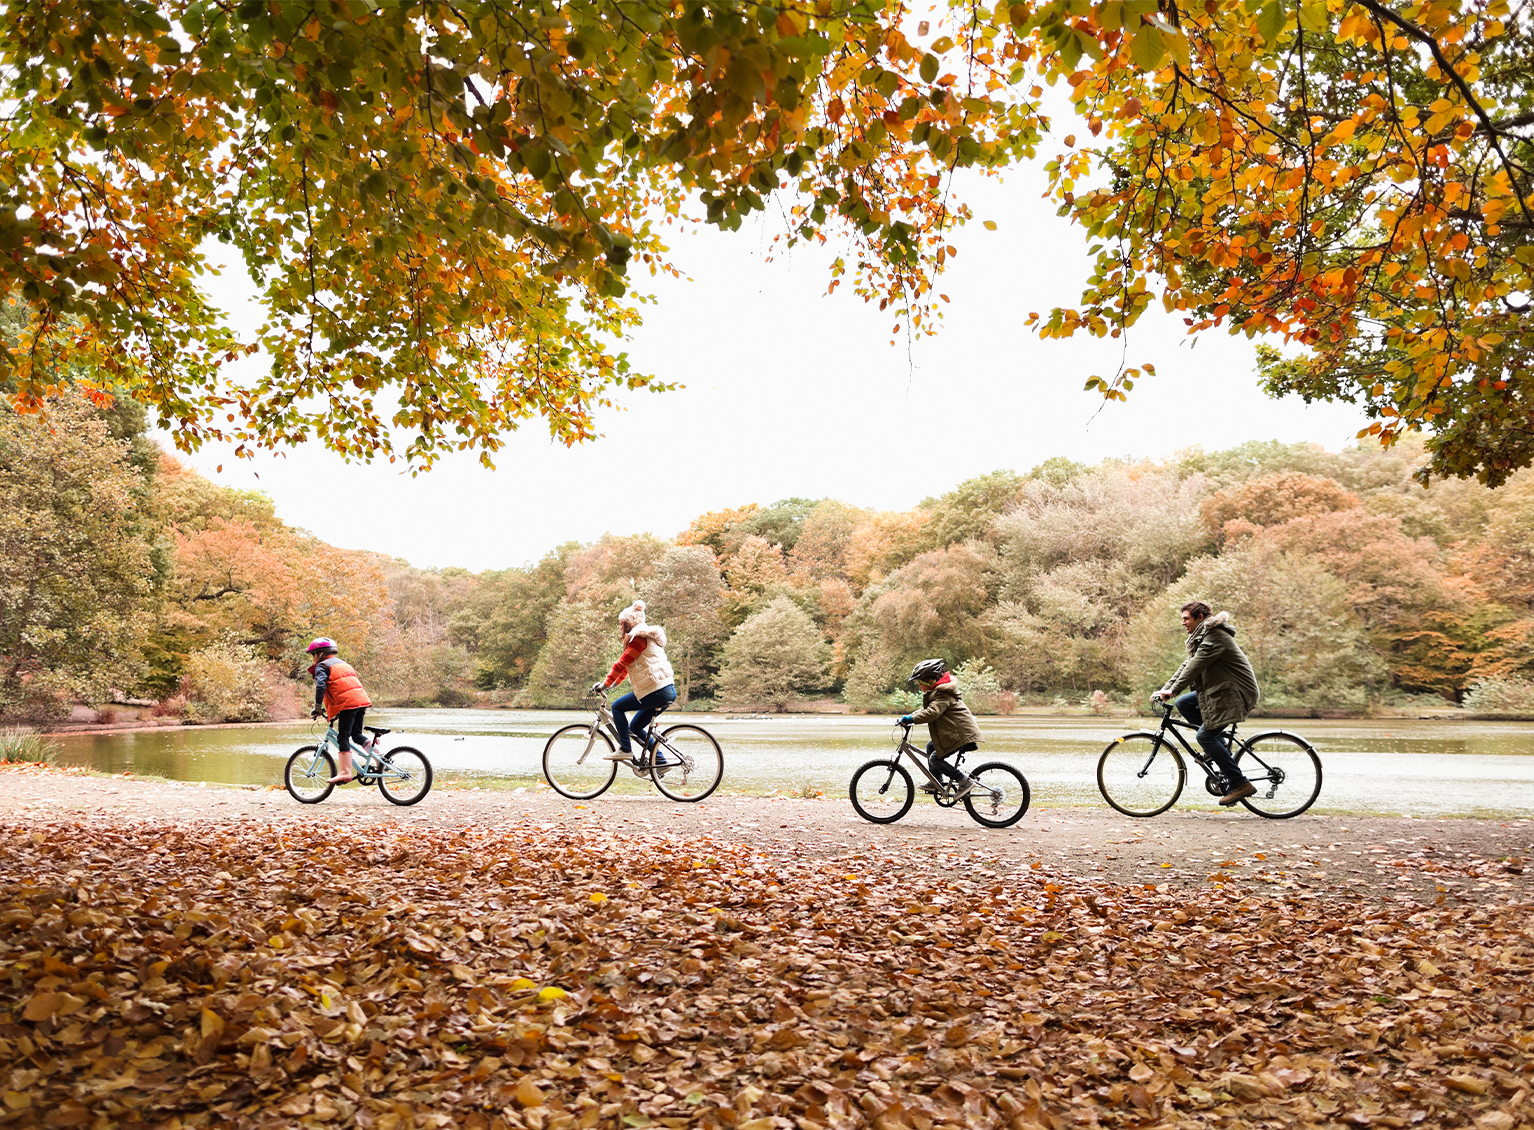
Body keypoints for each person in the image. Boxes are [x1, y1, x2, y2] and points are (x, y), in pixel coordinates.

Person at [1152, 601, 1263, 805]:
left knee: (1204, 736)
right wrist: (1166, 688)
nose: (1183, 622)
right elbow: (1187, 664)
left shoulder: (1215, 636)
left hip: (1235, 693)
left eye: (1186, 618)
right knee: (1184, 703)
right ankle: (1218, 748)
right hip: (1221, 692)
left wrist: (1173, 690)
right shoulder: (1201, 637)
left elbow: (1196, 665)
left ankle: (1240, 783)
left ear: (1199, 618)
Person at [590, 601, 678, 767]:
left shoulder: (638, 639)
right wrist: (610, 685)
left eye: (621, 624)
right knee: (635, 727)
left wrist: (604, 684)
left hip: (656, 690)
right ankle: (659, 760)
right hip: (666, 690)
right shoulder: (643, 639)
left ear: (627, 624)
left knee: (617, 707)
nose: (620, 628)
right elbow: (625, 670)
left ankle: (625, 749)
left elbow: (620, 664)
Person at [899, 658, 983, 799]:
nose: (919, 687)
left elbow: (932, 713)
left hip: (961, 735)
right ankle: (936, 781)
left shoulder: (944, 694)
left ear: (930, 682)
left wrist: (911, 720)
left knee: (934, 759)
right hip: (956, 733)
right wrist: (910, 716)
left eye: (920, 683)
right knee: (930, 746)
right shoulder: (938, 693)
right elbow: (928, 709)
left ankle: (964, 781)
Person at [306, 637, 373, 785]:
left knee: (343, 738)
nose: (313, 659)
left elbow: (321, 685)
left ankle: (345, 772)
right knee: (356, 735)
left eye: (313, 655)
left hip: (348, 703)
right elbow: (343, 687)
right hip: (360, 701)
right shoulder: (343, 664)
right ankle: (381, 759)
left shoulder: (322, 666)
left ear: (320, 654)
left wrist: (317, 707)